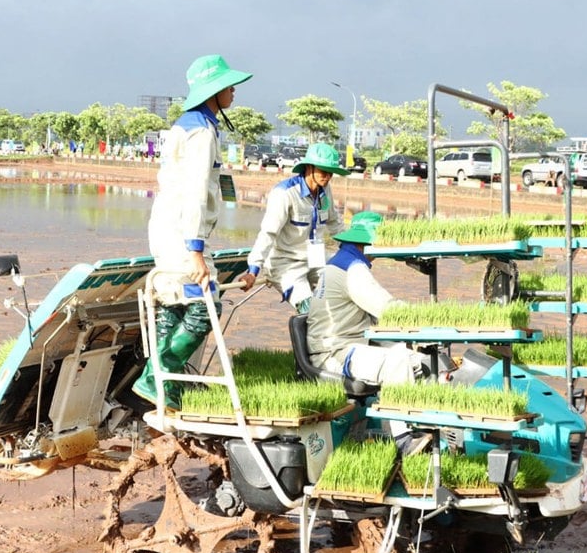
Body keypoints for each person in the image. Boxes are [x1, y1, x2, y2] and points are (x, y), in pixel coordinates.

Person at [132, 54, 253, 407]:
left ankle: (161, 381)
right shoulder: (200, 132)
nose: (233, 91)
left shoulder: (189, 124)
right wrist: (196, 250)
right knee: (205, 304)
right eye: (228, 86)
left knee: (174, 304)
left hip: (170, 227)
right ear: (212, 91)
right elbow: (198, 191)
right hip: (182, 232)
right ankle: (157, 374)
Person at [306, 211, 424, 386]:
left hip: (344, 346)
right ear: (367, 241)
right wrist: (428, 315)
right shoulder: (353, 270)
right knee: (400, 361)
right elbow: (388, 309)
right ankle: (395, 410)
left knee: (420, 359)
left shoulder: (339, 261)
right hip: (335, 354)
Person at [239, 143, 349, 313]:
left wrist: (354, 250)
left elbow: (335, 223)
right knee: (310, 310)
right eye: (323, 171)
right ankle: (305, 337)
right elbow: (268, 234)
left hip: (316, 258)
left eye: (331, 172)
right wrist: (253, 270)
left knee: (346, 292)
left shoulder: (325, 190)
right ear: (309, 168)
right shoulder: (285, 194)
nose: (327, 177)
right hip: (286, 263)